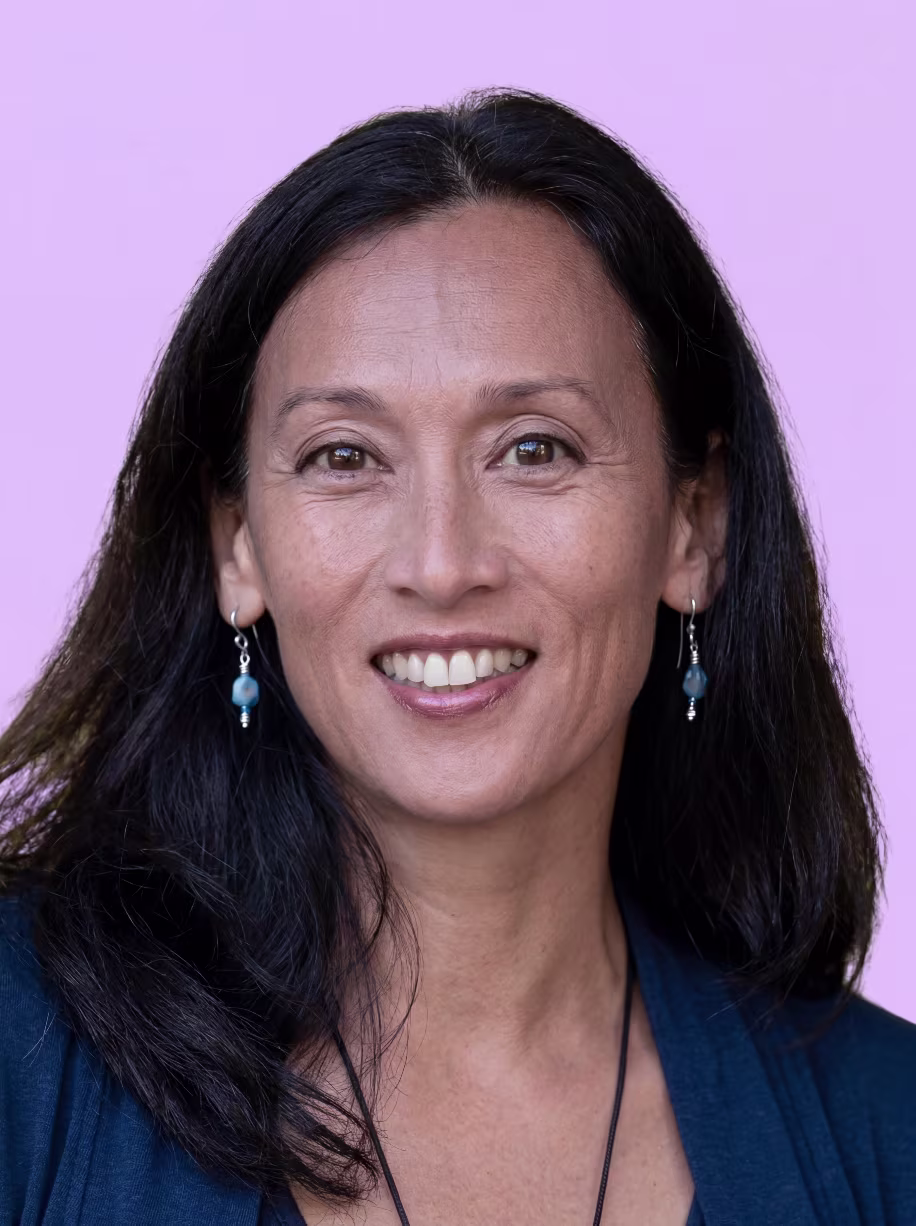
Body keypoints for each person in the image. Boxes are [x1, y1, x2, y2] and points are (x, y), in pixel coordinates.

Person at [0, 88, 912, 1226]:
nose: (440, 562)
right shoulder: (21, 1058)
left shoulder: (889, 1129)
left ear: (695, 527)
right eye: (344, 455)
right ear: (239, 546)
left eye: (534, 448)